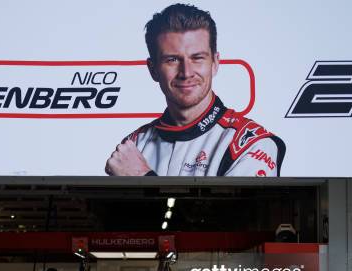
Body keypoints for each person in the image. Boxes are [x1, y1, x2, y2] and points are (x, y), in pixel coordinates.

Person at [105, 3, 285, 177]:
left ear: (215, 63)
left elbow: (233, 210)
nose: (186, 72)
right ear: (153, 69)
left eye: (197, 58)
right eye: (172, 60)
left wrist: (144, 178)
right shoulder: (135, 145)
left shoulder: (251, 145)